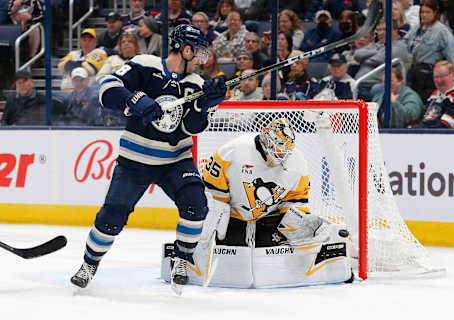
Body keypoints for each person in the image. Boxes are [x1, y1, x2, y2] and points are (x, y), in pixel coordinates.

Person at [70, 24, 227, 296]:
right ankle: (89, 263)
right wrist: (134, 99)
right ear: (186, 50)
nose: (203, 59)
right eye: (199, 52)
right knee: (111, 218)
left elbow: (191, 127)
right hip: (134, 161)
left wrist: (203, 106)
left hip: (175, 160)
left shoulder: (196, 84)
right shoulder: (145, 65)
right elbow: (106, 89)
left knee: (196, 205)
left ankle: (182, 259)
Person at [159, 118, 352, 287]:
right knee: (214, 216)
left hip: (270, 216)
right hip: (232, 212)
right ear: (265, 141)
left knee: (304, 227)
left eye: (285, 153)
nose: (281, 157)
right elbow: (212, 190)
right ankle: (183, 258)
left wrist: (299, 223)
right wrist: (219, 216)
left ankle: (326, 258)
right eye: (277, 151)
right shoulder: (232, 151)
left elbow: (296, 201)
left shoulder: (298, 163)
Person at [405, 0, 454, 103]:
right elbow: (405, 45)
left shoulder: (442, 31)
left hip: (429, 73)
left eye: (428, 12)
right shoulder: (416, 29)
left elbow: (451, 52)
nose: (424, 15)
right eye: (422, 12)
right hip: (413, 69)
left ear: (435, 13)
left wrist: (449, 74)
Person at [354, 19, 409, 101]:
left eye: (385, 29)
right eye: (379, 30)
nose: (381, 33)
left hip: (379, 85)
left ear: (395, 31)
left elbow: (380, 59)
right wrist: (377, 52)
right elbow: (357, 54)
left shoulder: (400, 46)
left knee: (376, 89)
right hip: (359, 84)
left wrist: (364, 59)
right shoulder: (376, 45)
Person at [422, 60, 454, 128]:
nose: (439, 81)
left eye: (442, 76)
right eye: (436, 77)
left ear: (453, 76)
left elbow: (447, 125)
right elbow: (425, 118)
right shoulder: (435, 94)